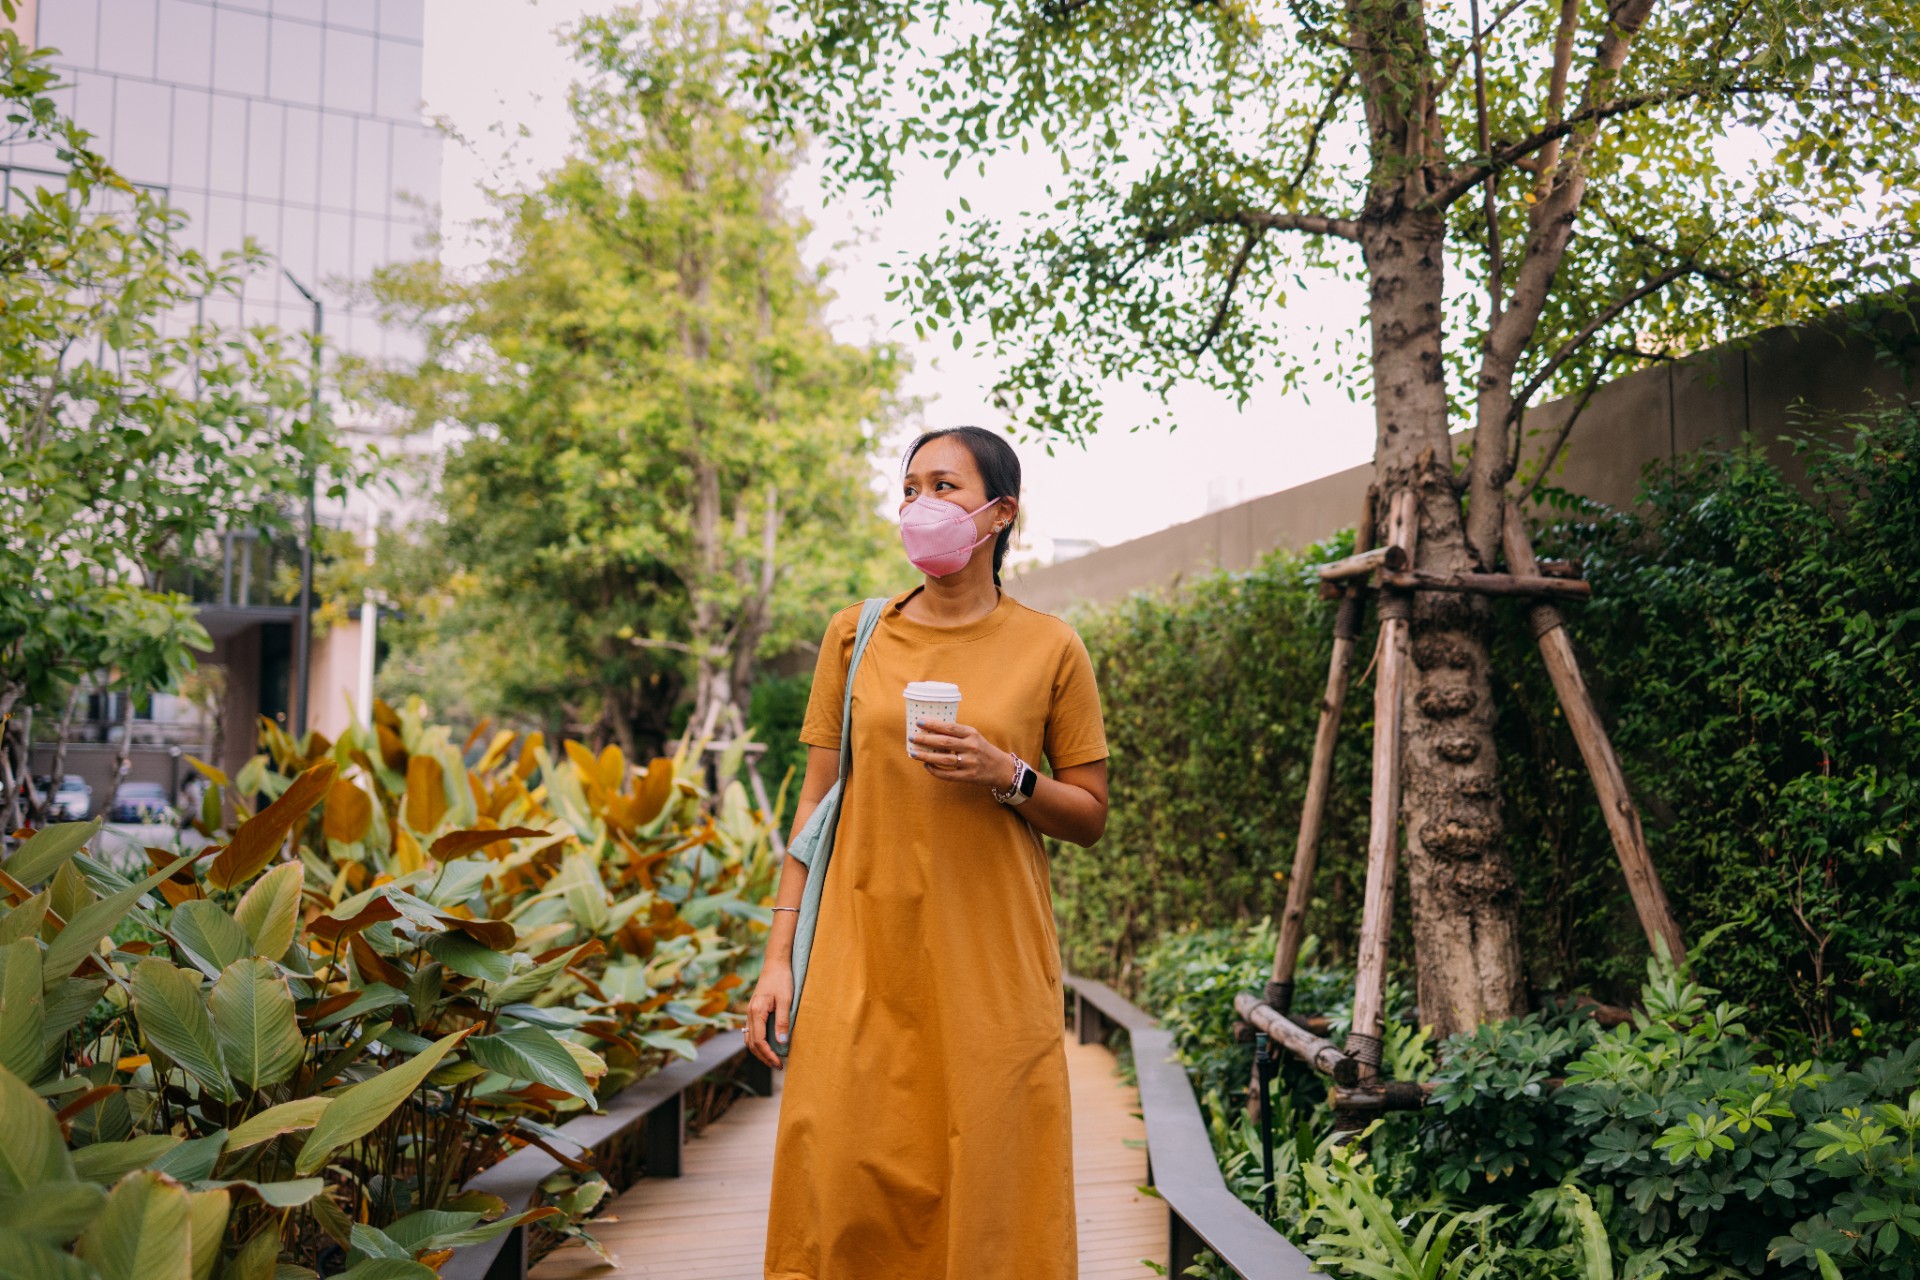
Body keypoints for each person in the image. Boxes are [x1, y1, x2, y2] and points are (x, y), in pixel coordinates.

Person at [751, 426, 1111, 1279]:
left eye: (945, 487)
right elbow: (813, 805)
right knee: (839, 1184)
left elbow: (1090, 814)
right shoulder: (856, 635)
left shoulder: (1051, 646)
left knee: (991, 1189)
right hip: (858, 958)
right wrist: (777, 959)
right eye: (910, 488)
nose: (921, 504)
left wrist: (1007, 774)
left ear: (1000, 513)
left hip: (991, 967)